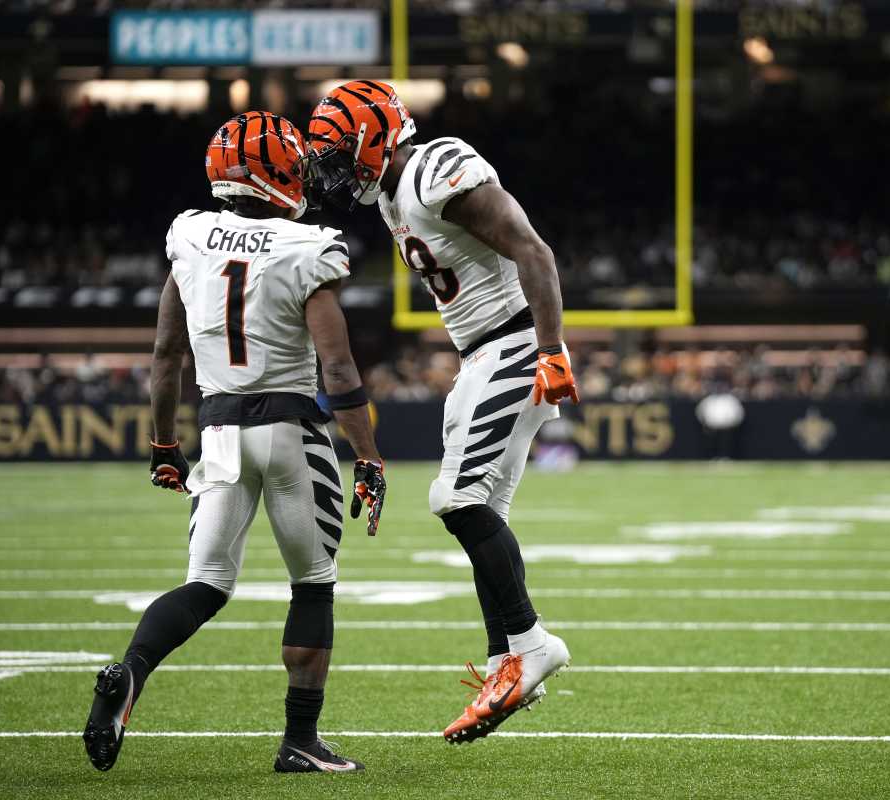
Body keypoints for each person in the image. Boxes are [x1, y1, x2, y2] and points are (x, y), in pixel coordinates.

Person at [82, 112, 387, 774]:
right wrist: (367, 455)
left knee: (206, 583)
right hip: (292, 433)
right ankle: (300, 741)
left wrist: (165, 445)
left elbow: (166, 354)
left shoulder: (190, 236)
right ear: (274, 174)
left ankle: (131, 672)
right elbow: (338, 371)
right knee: (313, 583)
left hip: (217, 432)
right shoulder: (308, 247)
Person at [304, 81, 578, 743]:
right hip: (481, 355)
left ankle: (532, 645)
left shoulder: (434, 168)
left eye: (343, 152)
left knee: (455, 498)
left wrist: (549, 352)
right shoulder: (393, 194)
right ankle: (505, 662)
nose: (337, 170)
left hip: (514, 343)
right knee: (484, 508)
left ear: (375, 137)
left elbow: (532, 249)